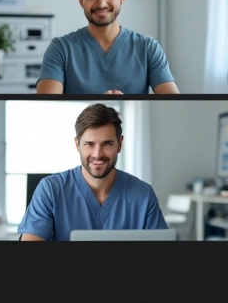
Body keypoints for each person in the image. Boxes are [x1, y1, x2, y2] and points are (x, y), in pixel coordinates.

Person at [18, 103, 168, 241]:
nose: (98, 154)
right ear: (77, 144)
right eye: (89, 144)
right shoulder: (50, 190)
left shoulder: (144, 194)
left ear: (120, 144)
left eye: (107, 144)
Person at [36, 0, 179, 95]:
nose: (101, 4)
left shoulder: (149, 48)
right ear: (81, 0)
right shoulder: (60, 49)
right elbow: (44, 104)